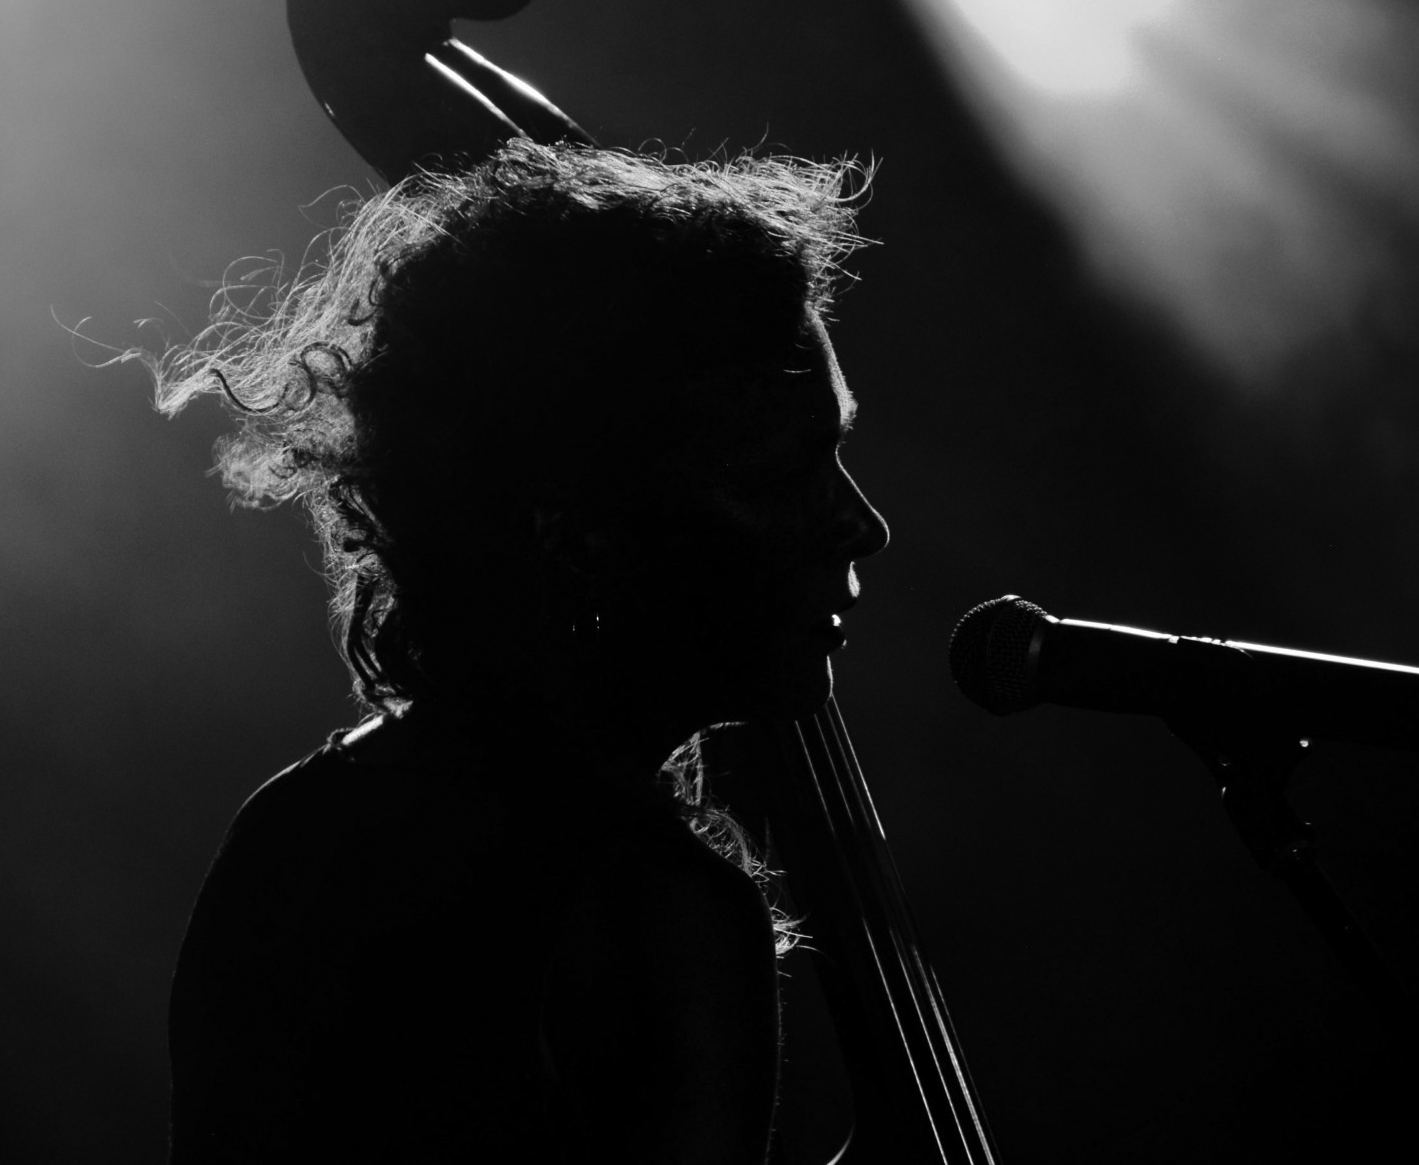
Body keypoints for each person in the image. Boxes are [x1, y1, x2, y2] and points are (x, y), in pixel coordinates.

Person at [157, 139, 890, 1163]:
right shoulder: (652, 913)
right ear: (589, 536)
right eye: (784, 473)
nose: (862, 527)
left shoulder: (292, 828)